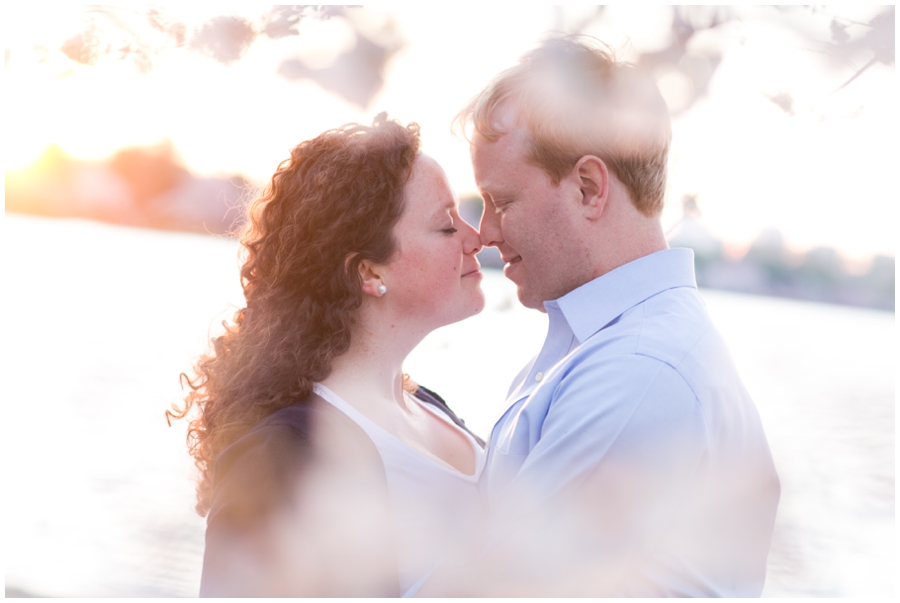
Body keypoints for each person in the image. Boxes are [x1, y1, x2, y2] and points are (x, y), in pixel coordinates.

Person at [426, 38, 781, 596]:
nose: (487, 232)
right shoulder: (605, 348)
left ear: (589, 188)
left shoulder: (639, 372)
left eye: (503, 201)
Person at [167, 114, 488, 597]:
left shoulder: (430, 406)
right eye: (446, 226)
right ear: (368, 271)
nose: (475, 238)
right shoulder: (281, 451)